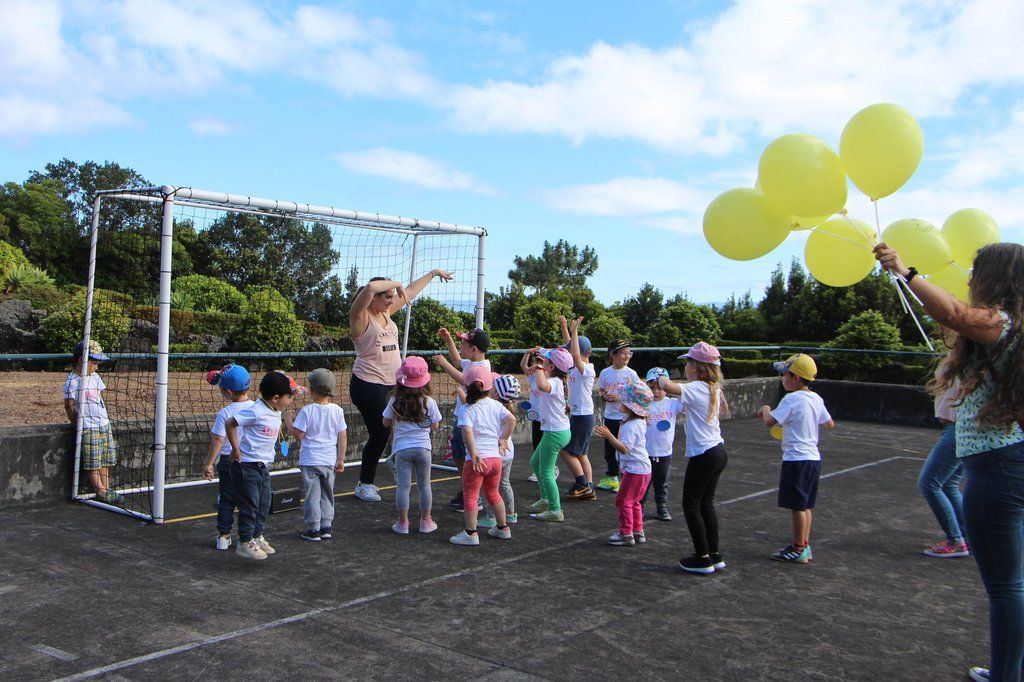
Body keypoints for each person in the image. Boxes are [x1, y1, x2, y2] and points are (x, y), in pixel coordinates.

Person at [875, 241, 1024, 682]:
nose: (970, 277)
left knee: (1006, 587)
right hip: (1011, 460)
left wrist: (905, 270)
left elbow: (954, 314)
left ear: (993, 277)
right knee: (1015, 584)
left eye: (977, 270)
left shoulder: (1001, 322)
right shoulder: (1013, 327)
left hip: (996, 469)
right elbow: (953, 320)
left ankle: (1005, 676)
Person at [349, 270, 452, 502]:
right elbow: (369, 288)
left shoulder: (386, 312)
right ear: (373, 298)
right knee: (380, 431)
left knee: (404, 424)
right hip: (368, 384)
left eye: (391, 297)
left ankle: (395, 458)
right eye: (387, 296)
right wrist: (396, 284)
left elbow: (412, 291)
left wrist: (433, 274)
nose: (390, 300)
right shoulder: (361, 317)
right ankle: (364, 483)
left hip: (393, 383)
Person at [657, 343, 731, 574]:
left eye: (689, 363)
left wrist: (660, 376)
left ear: (697, 367)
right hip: (717, 450)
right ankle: (714, 553)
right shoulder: (713, 388)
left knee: (691, 504)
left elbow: (666, 385)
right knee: (706, 504)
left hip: (704, 454)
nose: (686, 367)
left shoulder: (697, 387)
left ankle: (702, 557)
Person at [758, 353, 835, 565]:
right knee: (805, 505)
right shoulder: (816, 398)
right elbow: (829, 424)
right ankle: (804, 544)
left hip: (796, 460)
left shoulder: (791, 399)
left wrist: (765, 409)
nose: (782, 377)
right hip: (813, 459)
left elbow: (769, 421)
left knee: (797, 507)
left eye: (784, 373)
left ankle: (798, 547)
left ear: (795, 378)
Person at [224, 371, 298, 560]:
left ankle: (257, 535)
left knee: (264, 504)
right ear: (275, 398)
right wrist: (235, 448)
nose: (290, 401)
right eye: (288, 397)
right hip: (246, 466)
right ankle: (245, 541)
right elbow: (230, 423)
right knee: (250, 505)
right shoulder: (256, 411)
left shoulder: (276, 410)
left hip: (262, 466)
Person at [450, 366, 515, 546]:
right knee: (493, 493)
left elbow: (467, 433)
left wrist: (473, 453)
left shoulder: (466, 409)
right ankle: (503, 528)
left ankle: (471, 533)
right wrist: (504, 439)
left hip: (477, 460)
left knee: (470, 496)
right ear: (489, 387)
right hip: (495, 460)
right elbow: (512, 420)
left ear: (466, 386)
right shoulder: (495, 405)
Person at [919, 327, 969, 559]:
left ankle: (956, 540)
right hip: (956, 428)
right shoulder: (957, 356)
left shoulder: (968, 359)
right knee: (949, 484)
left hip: (957, 429)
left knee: (929, 483)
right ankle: (967, 537)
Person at [433, 327, 490, 513]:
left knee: (467, 459)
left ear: (474, 349)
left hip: (469, 421)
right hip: (462, 417)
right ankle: (467, 490)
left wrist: (443, 364)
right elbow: (457, 361)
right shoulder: (472, 362)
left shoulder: (480, 368)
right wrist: (448, 339)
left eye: (463, 344)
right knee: (459, 456)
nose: (460, 346)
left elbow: (463, 379)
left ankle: (474, 497)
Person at [286, 369, 347, 543]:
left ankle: (313, 528)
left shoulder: (307, 411)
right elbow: (342, 435)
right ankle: (326, 526)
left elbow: (298, 435)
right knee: (328, 493)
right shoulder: (337, 410)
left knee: (312, 494)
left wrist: (287, 420)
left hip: (310, 459)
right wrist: (341, 458)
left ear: (312, 390)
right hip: (329, 460)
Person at [383, 356, 442, 535]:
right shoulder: (429, 402)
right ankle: (425, 521)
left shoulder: (395, 400)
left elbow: (385, 422)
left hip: (402, 449)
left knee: (403, 486)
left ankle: (403, 523)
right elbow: (436, 425)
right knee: (425, 485)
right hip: (424, 448)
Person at [594, 379, 653, 546]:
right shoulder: (639, 421)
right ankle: (637, 530)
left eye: (623, 400)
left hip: (635, 469)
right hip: (642, 469)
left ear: (629, 405)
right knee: (634, 501)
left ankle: (626, 532)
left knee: (623, 500)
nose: (619, 402)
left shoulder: (630, 426)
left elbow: (624, 449)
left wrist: (609, 436)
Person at [64, 340, 123, 505]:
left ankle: (106, 487)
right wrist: (77, 422)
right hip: (89, 426)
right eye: (94, 363)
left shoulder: (95, 377)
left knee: (105, 458)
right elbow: (69, 405)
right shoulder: (73, 382)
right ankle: (100, 489)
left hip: (103, 423)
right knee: (93, 460)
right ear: (82, 361)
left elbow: (99, 399)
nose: (96, 367)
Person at [202, 363, 253, 550]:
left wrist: (209, 463)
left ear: (229, 392)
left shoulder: (225, 413)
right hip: (250, 461)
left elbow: (217, 440)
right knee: (249, 500)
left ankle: (223, 536)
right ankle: (249, 536)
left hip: (228, 461)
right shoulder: (257, 407)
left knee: (226, 499)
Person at [522, 346, 574, 522]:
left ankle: (555, 509)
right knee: (535, 463)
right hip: (556, 431)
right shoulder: (557, 380)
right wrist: (539, 367)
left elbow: (543, 385)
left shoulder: (556, 382)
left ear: (551, 367)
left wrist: (537, 368)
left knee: (545, 471)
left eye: (544, 360)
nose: (540, 361)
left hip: (555, 433)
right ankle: (545, 500)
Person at [559, 316, 597, 500]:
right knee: (581, 453)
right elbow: (570, 348)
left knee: (566, 450)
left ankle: (582, 483)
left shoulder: (587, 368)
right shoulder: (576, 367)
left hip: (583, 416)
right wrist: (565, 327)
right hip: (578, 413)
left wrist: (575, 332)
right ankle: (588, 487)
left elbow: (573, 353)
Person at [477, 375, 521, 528]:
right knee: (504, 483)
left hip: (495, 453)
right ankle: (511, 514)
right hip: (508, 453)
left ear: (496, 394)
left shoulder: (493, 407)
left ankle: (490, 517)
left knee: (490, 487)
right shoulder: (508, 409)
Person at [596, 339, 639, 492]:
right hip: (610, 416)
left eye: (629, 353)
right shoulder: (605, 373)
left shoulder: (631, 374)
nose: (627, 356)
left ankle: (626, 477)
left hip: (625, 418)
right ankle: (613, 478)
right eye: (624, 353)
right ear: (613, 355)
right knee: (609, 449)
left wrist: (620, 398)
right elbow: (600, 390)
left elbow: (639, 394)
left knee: (624, 448)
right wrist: (604, 396)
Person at [640, 367, 682, 522]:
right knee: (644, 482)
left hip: (664, 452)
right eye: (652, 387)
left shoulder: (672, 404)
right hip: (646, 451)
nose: (656, 391)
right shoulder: (644, 404)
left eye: (660, 387)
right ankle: (640, 507)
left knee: (662, 482)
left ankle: (662, 507)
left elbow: (686, 402)